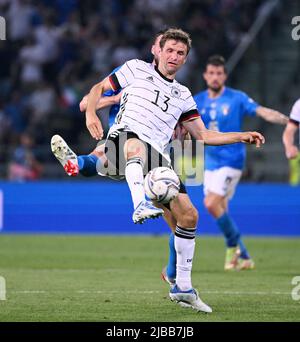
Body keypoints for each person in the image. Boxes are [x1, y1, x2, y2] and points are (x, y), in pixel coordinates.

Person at [52, 28, 265, 313]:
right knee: (131, 149)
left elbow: (202, 135)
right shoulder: (135, 68)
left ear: (185, 59)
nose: (174, 56)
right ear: (157, 50)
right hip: (126, 137)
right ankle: (138, 201)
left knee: (188, 216)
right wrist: (91, 112)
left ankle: (183, 288)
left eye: (181, 53)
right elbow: (98, 89)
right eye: (170, 50)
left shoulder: (183, 94)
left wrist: (240, 135)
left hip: (160, 158)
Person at [193, 55, 288, 271]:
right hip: (210, 162)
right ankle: (244, 257)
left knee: (210, 204)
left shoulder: (237, 98)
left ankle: (230, 248)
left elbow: (263, 111)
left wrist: (289, 121)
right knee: (220, 209)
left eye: (219, 73)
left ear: (224, 76)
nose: (215, 77)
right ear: (205, 75)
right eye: (211, 73)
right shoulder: (197, 101)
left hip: (232, 161)